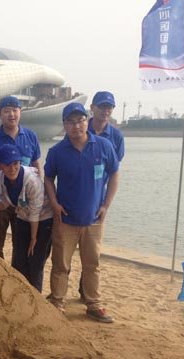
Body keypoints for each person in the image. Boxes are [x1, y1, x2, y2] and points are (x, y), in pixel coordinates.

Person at [44, 102, 120, 323]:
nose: (76, 126)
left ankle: (93, 304)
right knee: (61, 265)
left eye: (80, 121)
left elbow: (115, 174)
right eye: (71, 122)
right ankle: (57, 302)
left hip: (94, 219)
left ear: (87, 121)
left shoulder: (103, 146)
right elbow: (48, 178)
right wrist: (54, 203)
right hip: (65, 219)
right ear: (64, 125)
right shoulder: (57, 152)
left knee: (92, 264)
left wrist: (106, 205)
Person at [0, 144, 53, 292]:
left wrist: (33, 238)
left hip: (43, 219)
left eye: (15, 163)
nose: (12, 169)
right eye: (7, 165)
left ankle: (35, 294)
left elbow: (35, 213)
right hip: (23, 217)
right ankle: (17, 293)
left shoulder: (32, 181)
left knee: (35, 260)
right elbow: (5, 202)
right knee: (19, 259)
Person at [0, 96, 41, 259]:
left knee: (21, 244)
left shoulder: (30, 136)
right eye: (6, 111)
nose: (11, 115)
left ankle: (17, 272)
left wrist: (39, 192)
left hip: (24, 201)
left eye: (15, 110)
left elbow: (36, 165)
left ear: (20, 112)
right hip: (0, 199)